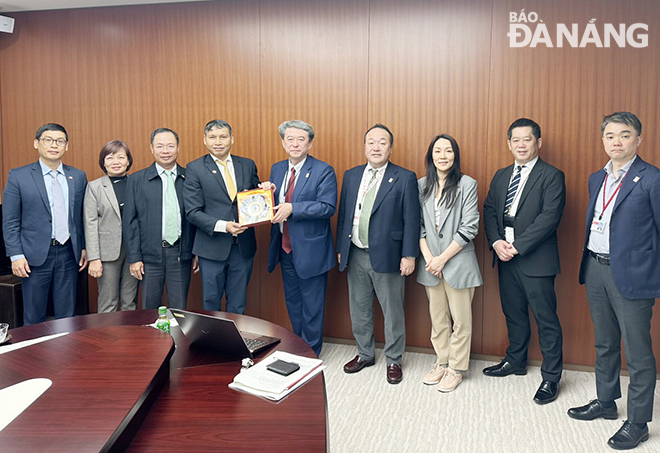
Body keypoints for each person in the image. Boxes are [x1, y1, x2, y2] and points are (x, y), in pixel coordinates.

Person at [568, 112, 659, 450]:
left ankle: (638, 422)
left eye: (624, 135)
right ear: (603, 140)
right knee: (604, 342)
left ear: (638, 139)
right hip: (595, 268)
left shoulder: (652, 178)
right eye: (610, 136)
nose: (616, 142)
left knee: (637, 352)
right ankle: (606, 402)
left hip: (632, 276)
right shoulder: (597, 178)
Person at [482, 118, 565, 404]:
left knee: (546, 319)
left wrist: (516, 246)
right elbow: (490, 210)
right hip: (504, 256)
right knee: (513, 312)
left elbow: (549, 218)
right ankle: (515, 360)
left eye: (526, 139)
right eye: (515, 140)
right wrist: (496, 243)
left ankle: (551, 377)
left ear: (538, 142)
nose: (521, 145)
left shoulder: (552, 176)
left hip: (535, 258)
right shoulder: (502, 174)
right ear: (509, 144)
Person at [336, 124, 420, 384]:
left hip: (389, 255)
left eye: (382, 142)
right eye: (371, 142)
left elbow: (412, 219)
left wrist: (409, 254)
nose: (376, 147)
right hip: (356, 252)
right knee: (359, 309)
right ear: (364, 147)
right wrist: (341, 248)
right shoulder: (351, 176)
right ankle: (365, 354)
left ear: (390, 148)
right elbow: (344, 216)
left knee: (392, 311)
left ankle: (394, 360)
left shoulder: (404, 177)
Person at [264, 120, 337, 356]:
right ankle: (299, 345)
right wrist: (267, 195)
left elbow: (327, 207)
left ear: (310, 143)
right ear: (283, 142)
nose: (295, 144)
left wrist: (294, 208)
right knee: (293, 301)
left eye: (301, 139)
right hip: (285, 247)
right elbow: (274, 207)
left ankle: (311, 352)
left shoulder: (323, 170)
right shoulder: (277, 169)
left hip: (310, 249)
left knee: (312, 304)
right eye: (290, 139)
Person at [2, 123, 88, 325]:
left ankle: (66, 355)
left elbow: (81, 217)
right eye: (47, 140)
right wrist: (16, 255)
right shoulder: (19, 176)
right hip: (34, 257)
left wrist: (83, 247)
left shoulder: (77, 176)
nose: (54, 145)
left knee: (67, 316)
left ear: (66, 146)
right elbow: (10, 220)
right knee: (34, 317)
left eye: (60, 141)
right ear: (36, 143)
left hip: (69, 253)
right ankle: (32, 355)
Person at [417, 134, 482, 392]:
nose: (443, 156)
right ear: (430, 156)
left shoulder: (467, 184)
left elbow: (470, 226)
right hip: (431, 263)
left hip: (458, 263)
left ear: (455, 155)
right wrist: (430, 258)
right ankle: (442, 363)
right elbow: (418, 226)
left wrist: (442, 258)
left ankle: (456, 368)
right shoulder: (421, 185)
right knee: (438, 319)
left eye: (448, 151)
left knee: (461, 321)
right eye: (437, 151)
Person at [183, 120, 259, 314]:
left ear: (231, 139)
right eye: (213, 137)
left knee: (238, 303)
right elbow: (192, 212)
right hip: (211, 247)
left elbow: (255, 198)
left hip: (243, 247)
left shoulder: (247, 165)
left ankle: (234, 344)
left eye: (223, 137)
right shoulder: (195, 168)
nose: (218, 142)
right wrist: (224, 226)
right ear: (205, 140)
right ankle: (213, 344)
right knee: (211, 303)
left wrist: (266, 190)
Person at [123, 128, 196, 310]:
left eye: (170, 146)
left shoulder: (190, 178)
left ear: (178, 148)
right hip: (149, 257)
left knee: (179, 310)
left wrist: (195, 252)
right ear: (151, 148)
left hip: (181, 253)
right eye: (160, 146)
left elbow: (197, 217)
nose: (165, 151)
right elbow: (130, 222)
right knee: (149, 308)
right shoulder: (137, 180)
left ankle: (177, 340)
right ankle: (151, 340)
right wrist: (134, 258)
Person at [84, 140, 138, 313]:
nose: (116, 162)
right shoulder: (95, 187)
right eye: (110, 157)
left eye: (121, 157)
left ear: (128, 161)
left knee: (130, 300)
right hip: (107, 253)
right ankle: (106, 339)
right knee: (108, 302)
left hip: (134, 251)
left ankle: (130, 338)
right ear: (103, 162)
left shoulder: (137, 183)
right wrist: (94, 258)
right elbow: (90, 223)